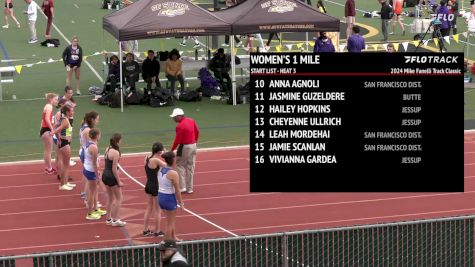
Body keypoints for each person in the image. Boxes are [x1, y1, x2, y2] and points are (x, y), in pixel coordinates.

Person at [169, 108, 199, 194]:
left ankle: (182, 187)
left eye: (174, 117)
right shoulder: (191, 120)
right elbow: (197, 131)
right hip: (193, 145)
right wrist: (195, 142)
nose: (173, 118)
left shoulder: (179, 126)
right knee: (190, 166)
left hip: (184, 146)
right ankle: (190, 188)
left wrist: (172, 150)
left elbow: (177, 140)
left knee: (180, 165)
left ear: (179, 116)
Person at [158, 152, 184, 241]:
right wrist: (181, 202)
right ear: (173, 160)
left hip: (160, 196)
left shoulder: (161, 169)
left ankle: (173, 237)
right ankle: (166, 242)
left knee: (170, 221)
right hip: (169, 198)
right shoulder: (173, 174)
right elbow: (177, 190)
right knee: (170, 223)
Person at [102, 133, 126, 227]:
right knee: (119, 198)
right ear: (118, 140)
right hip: (111, 176)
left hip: (105, 175)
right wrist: (119, 181)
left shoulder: (107, 149)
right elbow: (114, 169)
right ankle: (116, 219)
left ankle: (108, 218)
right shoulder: (116, 153)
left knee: (110, 198)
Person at [83, 128, 107, 220]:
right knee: (92, 193)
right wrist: (97, 177)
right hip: (91, 170)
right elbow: (94, 164)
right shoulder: (94, 147)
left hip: (87, 167)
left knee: (95, 191)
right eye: (99, 134)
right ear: (97, 136)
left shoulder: (89, 143)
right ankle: (89, 213)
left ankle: (96, 208)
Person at [143, 142, 166, 237]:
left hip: (148, 184)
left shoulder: (147, 158)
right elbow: (168, 164)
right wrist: (166, 153)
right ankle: (157, 231)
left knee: (149, 208)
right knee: (157, 210)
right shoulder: (156, 160)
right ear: (159, 151)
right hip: (155, 186)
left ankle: (145, 230)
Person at [51, 104, 76, 191]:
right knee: (66, 165)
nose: (73, 112)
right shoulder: (65, 120)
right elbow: (57, 129)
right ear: (67, 112)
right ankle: (62, 184)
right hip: (65, 143)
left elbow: (55, 126)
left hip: (63, 142)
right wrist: (53, 133)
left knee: (66, 165)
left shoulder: (63, 119)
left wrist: (58, 138)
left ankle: (65, 182)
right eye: (72, 111)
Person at [79, 111, 100, 200]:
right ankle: (87, 196)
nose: (98, 121)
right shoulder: (88, 130)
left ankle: (85, 193)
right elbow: (91, 143)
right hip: (86, 153)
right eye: (97, 119)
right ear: (92, 119)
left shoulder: (85, 125)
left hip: (83, 151)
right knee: (89, 176)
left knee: (86, 174)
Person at [40, 93, 58, 175]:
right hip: (47, 130)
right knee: (49, 151)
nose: (56, 101)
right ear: (51, 99)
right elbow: (47, 119)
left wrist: (40, 130)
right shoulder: (49, 107)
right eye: (55, 99)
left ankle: (48, 167)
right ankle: (49, 168)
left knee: (47, 150)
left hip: (44, 130)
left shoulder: (46, 106)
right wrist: (52, 130)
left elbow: (43, 120)